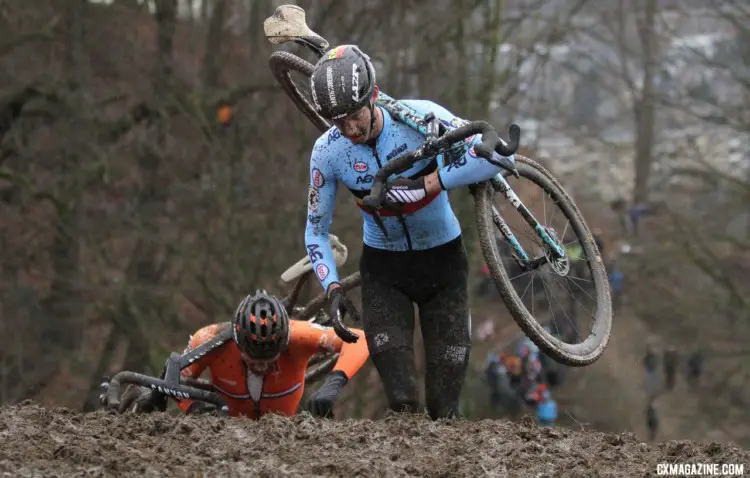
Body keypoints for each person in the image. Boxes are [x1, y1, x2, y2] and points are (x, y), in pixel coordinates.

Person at [304, 45, 514, 419]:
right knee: (402, 404)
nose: (349, 129)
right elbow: (316, 231)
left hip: (443, 265)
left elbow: (501, 157)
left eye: (354, 116)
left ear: (374, 96)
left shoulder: (420, 118)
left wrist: (435, 181)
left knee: (443, 408)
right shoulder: (328, 153)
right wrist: (332, 287)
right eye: (339, 123)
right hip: (385, 273)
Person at [103, 290, 369, 418]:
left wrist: (333, 385)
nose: (261, 368)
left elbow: (360, 340)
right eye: (253, 361)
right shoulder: (209, 339)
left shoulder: (298, 336)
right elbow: (174, 381)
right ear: (238, 343)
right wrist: (194, 408)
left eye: (269, 360)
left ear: (284, 342)